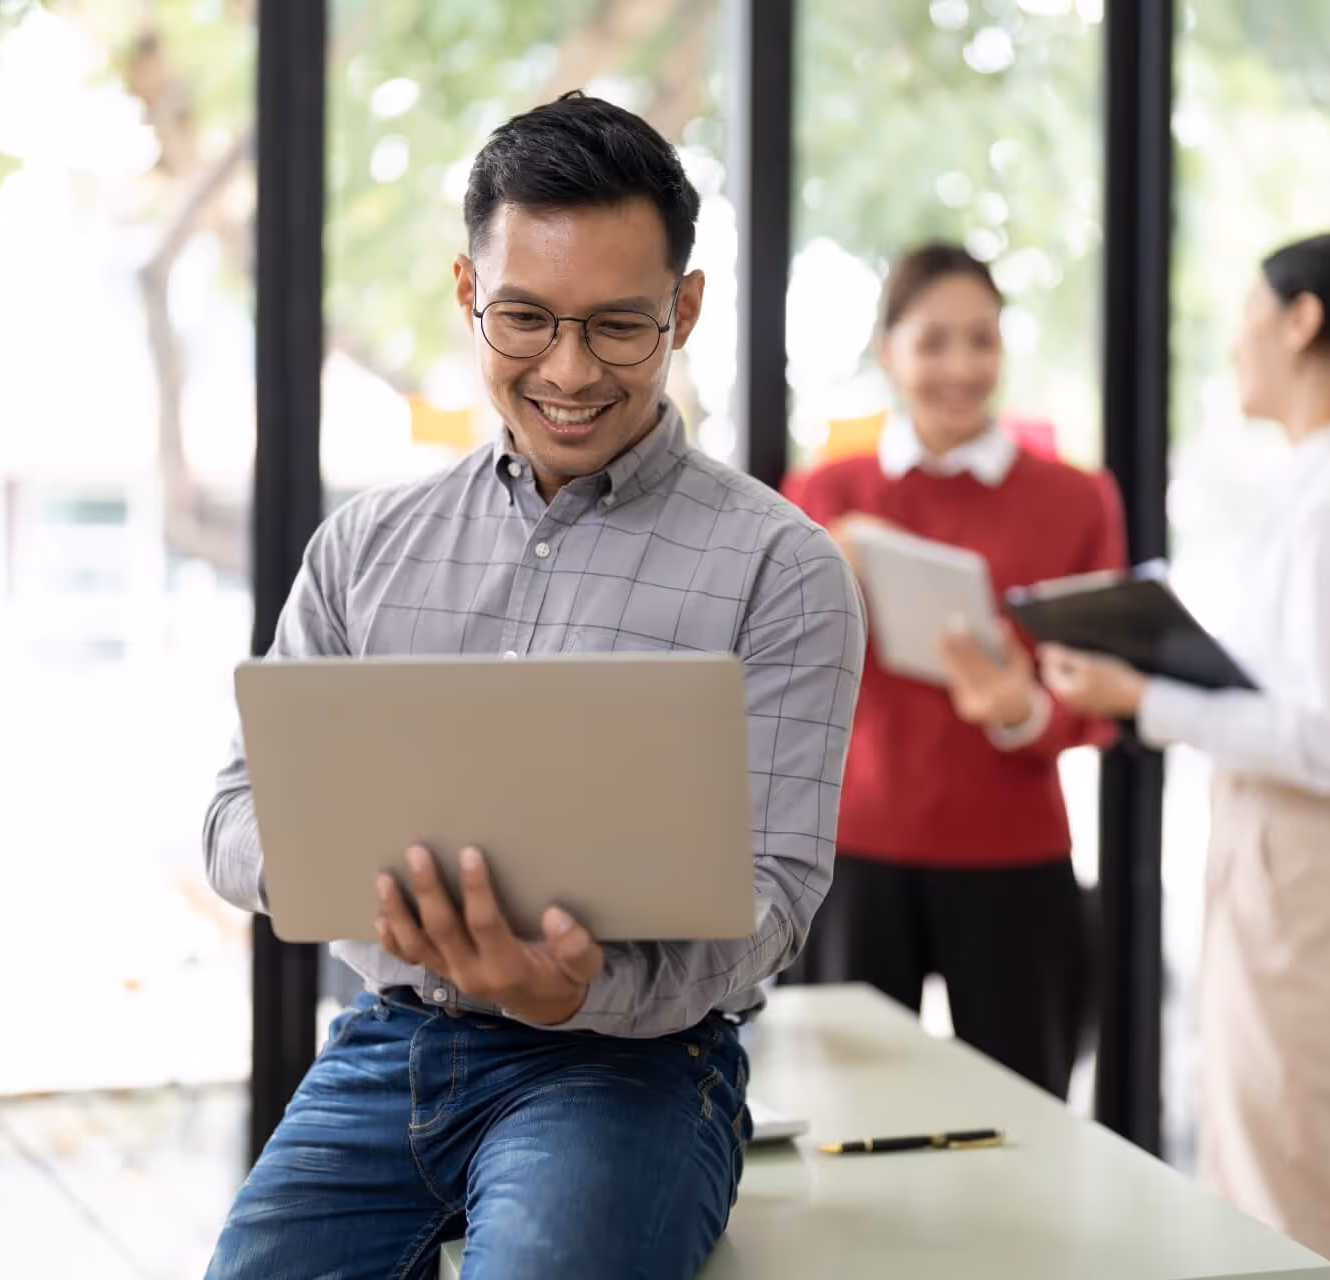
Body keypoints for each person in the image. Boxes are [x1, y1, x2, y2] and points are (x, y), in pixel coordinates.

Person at [200, 93, 865, 1280]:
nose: (568, 372)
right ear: (467, 292)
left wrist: (578, 989)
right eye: (523, 318)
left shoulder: (785, 569)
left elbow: (773, 895)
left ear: (687, 308)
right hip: (388, 1037)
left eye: (620, 326)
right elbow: (233, 812)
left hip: (638, 1064)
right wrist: (363, 881)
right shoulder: (365, 545)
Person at [1037, 232, 1330, 1279]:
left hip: (1307, 866)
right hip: (1277, 856)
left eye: (1247, 313)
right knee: (1260, 1179)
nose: (1234, 343)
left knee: (1294, 1192)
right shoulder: (1318, 492)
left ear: (1302, 320)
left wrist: (1146, 696)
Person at [781, 243, 1127, 1098]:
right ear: (889, 349)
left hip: (1014, 856)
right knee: (843, 1117)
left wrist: (1023, 709)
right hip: (856, 855)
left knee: (1026, 1118)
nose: (962, 366)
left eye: (983, 340)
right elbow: (776, 676)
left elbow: (1104, 696)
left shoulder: (1078, 500)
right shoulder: (825, 494)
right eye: (934, 342)